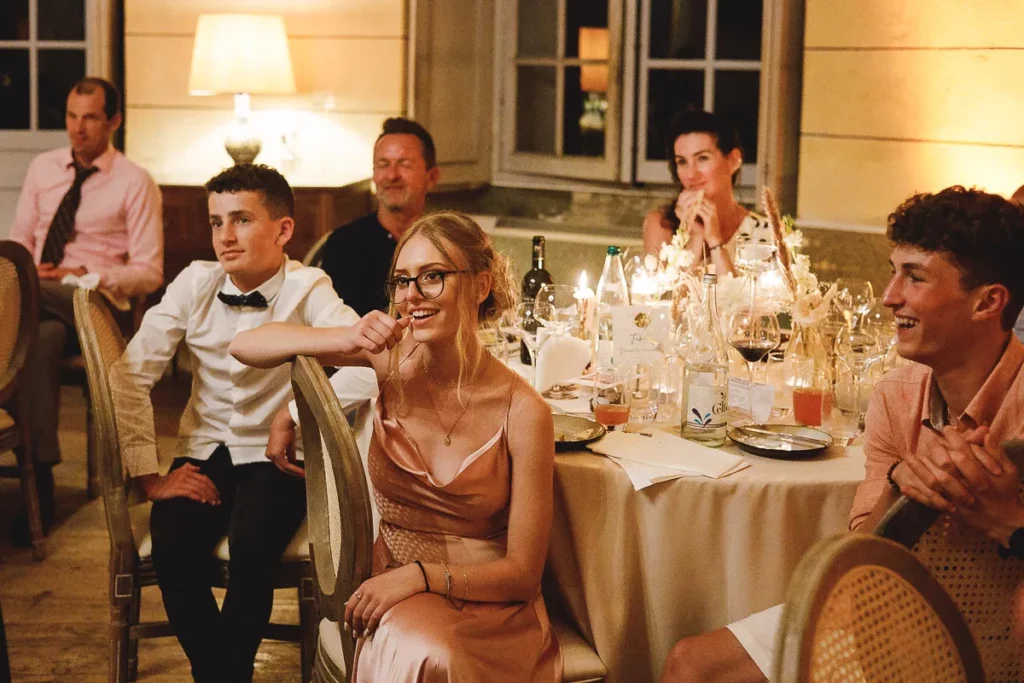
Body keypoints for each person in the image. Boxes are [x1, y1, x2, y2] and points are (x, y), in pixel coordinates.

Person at [660, 185, 1024, 682]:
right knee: (691, 666)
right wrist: (901, 483)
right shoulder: (896, 395)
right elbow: (859, 555)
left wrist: (1009, 521)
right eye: (894, 271)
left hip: (1000, 642)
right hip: (890, 613)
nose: (889, 295)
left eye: (914, 278)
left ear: (988, 302)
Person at [230, 211, 562, 681]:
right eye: (402, 280)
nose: (411, 295)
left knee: (445, 653)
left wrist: (423, 575)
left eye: (432, 277)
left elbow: (523, 573)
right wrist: (346, 337)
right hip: (394, 587)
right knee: (429, 652)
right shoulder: (388, 359)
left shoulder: (525, 411)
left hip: (489, 600)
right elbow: (247, 344)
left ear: (481, 284)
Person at [109, 164, 375, 683]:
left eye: (241, 220)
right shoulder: (193, 283)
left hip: (276, 457)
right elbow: (128, 377)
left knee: (253, 547)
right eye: (215, 222)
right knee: (173, 547)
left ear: (283, 230)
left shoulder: (308, 287)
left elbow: (368, 366)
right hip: (205, 448)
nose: (224, 237)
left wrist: (293, 416)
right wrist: (150, 478)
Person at [8, 76, 163, 544]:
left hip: (94, 306)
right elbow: (19, 246)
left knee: (30, 297)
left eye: (90, 118)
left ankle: (27, 462)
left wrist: (83, 275)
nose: (77, 129)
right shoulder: (43, 167)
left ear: (113, 121)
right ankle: (40, 474)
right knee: (41, 340)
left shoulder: (134, 181)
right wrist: (30, 277)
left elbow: (150, 271)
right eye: (72, 117)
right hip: (43, 305)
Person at [318, 117, 440, 316]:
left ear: (432, 177)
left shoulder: (448, 244)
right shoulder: (344, 245)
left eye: (404, 165)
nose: (392, 176)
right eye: (383, 165)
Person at [641, 109, 773, 276]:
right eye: (682, 162)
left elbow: (740, 300)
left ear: (733, 161)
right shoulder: (661, 225)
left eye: (702, 158)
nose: (691, 174)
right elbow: (663, 299)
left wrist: (715, 241)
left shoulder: (764, 231)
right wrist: (695, 237)